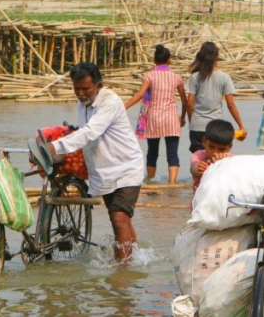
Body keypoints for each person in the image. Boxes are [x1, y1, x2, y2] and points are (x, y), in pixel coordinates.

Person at [46, 62, 145, 263]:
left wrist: (56, 147)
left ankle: (122, 273)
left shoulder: (110, 101)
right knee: (120, 219)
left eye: (86, 89)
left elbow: (90, 132)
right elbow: (84, 131)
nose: (81, 93)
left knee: (118, 219)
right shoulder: (82, 104)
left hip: (126, 168)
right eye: (76, 89)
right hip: (104, 170)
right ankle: (137, 257)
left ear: (98, 86)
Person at [125, 45, 187, 185]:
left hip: (154, 118)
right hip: (171, 118)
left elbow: (140, 94)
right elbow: (184, 100)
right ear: (169, 60)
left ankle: (151, 182)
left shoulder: (150, 76)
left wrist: (123, 107)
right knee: (172, 154)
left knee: (152, 152)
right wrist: (182, 117)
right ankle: (172, 184)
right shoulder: (176, 77)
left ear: (154, 60)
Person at [185, 41, 246, 154]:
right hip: (215, 129)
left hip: (197, 126)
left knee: (197, 162)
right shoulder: (224, 77)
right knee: (215, 161)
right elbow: (230, 105)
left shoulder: (194, 77)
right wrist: (241, 125)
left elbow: (189, 104)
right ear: (216, 59)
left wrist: (192, 120)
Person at [189, 119, 234, 192]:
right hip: (200, 200)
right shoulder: (199, 156)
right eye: (211, 147)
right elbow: (193, 169)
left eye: (221, 149)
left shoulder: (231, 160)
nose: (215, 152)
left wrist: (221, 165)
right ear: (204, 141)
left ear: (229, 147)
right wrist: (201, 169)